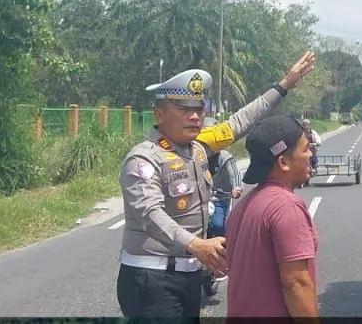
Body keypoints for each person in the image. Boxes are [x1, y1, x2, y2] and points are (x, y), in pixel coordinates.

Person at [115, 50, 317, 320]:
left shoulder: (198, 147)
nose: (195, 117)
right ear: (159, 113)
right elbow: (150, 214)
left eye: (199, 109)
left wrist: (283, 86)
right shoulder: (143, 158)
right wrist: (197, 245)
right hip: (151, 278)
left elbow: (239, 122)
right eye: (183, 109)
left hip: (188, 276)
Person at [224, 114, 319, 318]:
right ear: (283, 162)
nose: (310, 154)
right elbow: (296, 284)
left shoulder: (244, 206)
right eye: (305, 149)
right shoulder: (287, 207)